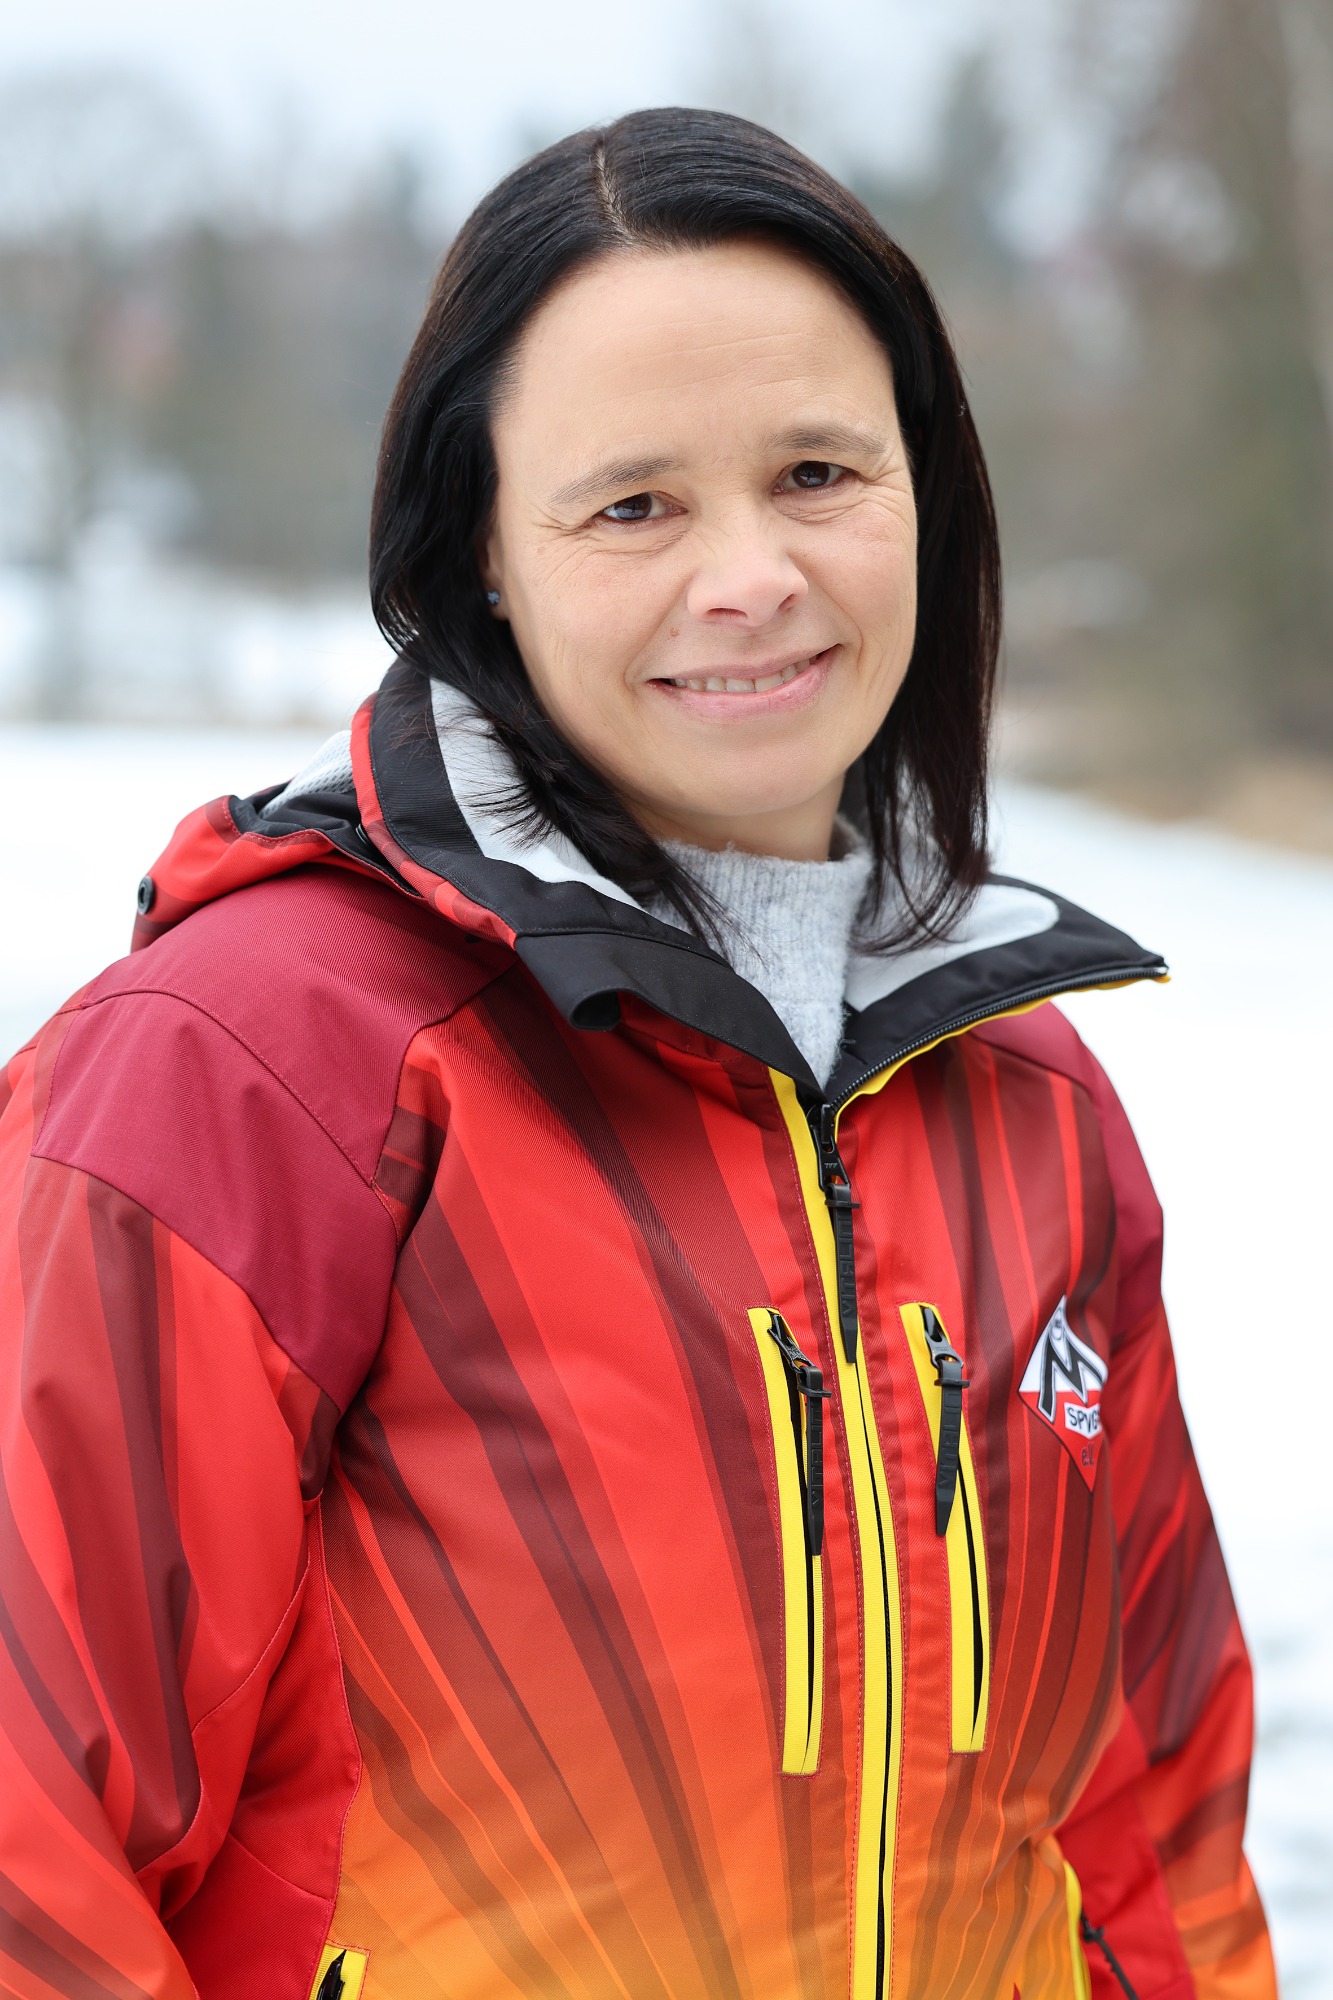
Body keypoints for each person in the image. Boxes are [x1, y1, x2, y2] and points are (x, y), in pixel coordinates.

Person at [0, 109, 1275, 2000]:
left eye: (816, 472)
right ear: (481, 556)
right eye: (633, 506)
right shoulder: (246, 1071)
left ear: (922, 493)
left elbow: (1149, 1842)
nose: (749, 575)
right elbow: (29, 1841)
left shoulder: (1027, 1098)